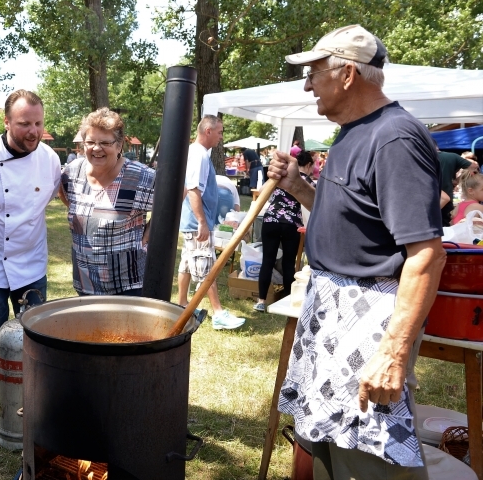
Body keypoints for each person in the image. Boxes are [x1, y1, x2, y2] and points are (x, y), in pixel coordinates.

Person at [269, 24, 445, 480]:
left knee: (370, 458)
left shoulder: (394, 139)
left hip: (369, 320)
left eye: (313, 73)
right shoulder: (351, 133)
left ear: (347, 74)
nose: (308, 85)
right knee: (329, 448)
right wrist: (297, 186)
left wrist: (393, 353)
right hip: (330, 312)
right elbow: (346, 216)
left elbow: (426, 255)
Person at [0, 89, 61, 432]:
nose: (33, 131)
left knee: (35, 336)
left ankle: (34, 399)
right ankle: (2, 399)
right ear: (6, 122)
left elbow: (51, 197)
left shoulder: (50, 158)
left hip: (31, 263)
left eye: (38, 123)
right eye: (24, 123)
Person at [59, 108, 154, 296]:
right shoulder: (72, 172)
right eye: (90, 142)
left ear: (119, 146)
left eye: (104, 142)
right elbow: (64, 193)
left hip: (127, 286)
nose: (96, 148)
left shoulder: (139, 177)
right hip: (85, 282)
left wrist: (151, 231)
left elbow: (177, 196)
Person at [178, 114, 246, 331]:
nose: (221, 137)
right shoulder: (198, 155)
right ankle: (218, 314)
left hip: (191, 221)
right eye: (220, 132)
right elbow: (193, 190)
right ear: (208, 131)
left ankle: (181, 305)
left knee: (188, 263)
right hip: (197, 222)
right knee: (207, 267)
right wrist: (202, 222)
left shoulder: (196, 153)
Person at [253, 150, 315, 313]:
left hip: (271, 220)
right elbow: (313, 206)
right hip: (291, 224)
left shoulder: (283, 175)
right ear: (308, 165)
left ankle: (261, 301)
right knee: (289, 264)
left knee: (267, 261)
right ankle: (289, 301)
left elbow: (261, 191)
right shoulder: (308, 182)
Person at [437, 146, 478, 226]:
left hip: (431, 199)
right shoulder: (452, 156)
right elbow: (473, 166)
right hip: (447, 197)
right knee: (446, 223)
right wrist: (458, 180)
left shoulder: (422, 157)